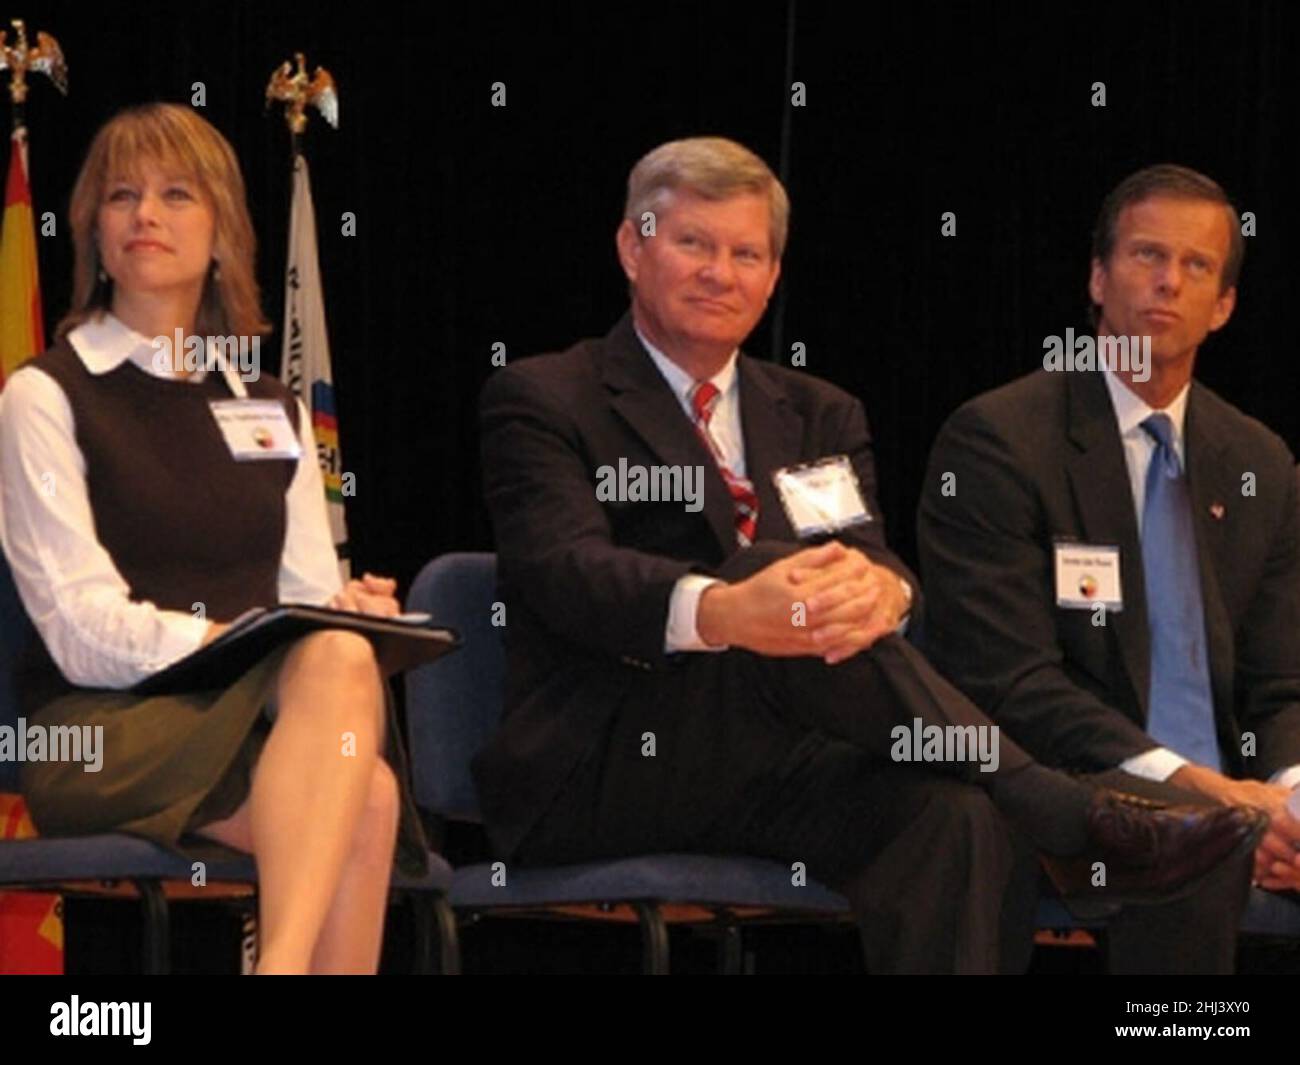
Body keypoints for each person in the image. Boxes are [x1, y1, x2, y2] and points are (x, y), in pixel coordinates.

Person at [473, 138, 1264, 974]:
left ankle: (1036, 807)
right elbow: (562, 568)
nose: (720, 272)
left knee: (959, 813)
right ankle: (1059, 804)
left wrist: (887, 595)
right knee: (761, 574)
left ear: (774, 276)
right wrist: (724, 608)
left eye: (747, 253)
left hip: (783, 759)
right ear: (633, 248)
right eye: (692, 243)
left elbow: (875, 564)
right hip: (614, 757)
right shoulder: (545, 395)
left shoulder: (819, 411)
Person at [0, 102, 429, 975]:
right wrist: (242, 640)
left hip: (253, 722)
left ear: (224, 232)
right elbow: (79, 627)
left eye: (175, 195)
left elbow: (304, 595)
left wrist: (338, 611)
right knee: (361, 774)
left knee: (366, 762)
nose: (145, 215)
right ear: (92, 229)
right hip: (97, 728)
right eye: (121, 196)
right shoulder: (45, 394)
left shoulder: (272, 407)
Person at [917, 164, 1300, 972]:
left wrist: (1291, 801)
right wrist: (1200, 787)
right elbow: (1007, 677)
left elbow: (1280, 684)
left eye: (1197, 266)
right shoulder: (1000, 438)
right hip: (1073, 783)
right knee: (1189, 844)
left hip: (1238, 798)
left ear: (1224, 305)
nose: (1168, 281)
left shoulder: (1259, 460)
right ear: (1097, 277)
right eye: (1145, 255)